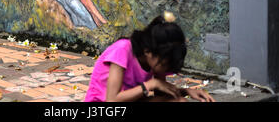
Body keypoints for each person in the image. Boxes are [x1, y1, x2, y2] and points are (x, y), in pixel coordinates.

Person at [84, 16, 215, 102]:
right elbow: (112, 100)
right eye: (164, 64)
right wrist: (151, 84)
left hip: (134, 99)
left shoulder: (155, 60)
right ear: (148, 51)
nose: (166, 69)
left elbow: (160, 93)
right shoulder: (122, 50)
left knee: (180, 101)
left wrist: (187, 91)